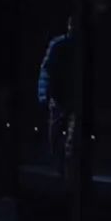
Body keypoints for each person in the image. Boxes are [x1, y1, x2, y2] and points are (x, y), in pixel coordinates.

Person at [37, 17, 75, 166]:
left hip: (73, 98)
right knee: (55, 134)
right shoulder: (58, 44)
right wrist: (43, 94)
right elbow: (46, 69)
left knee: (71, 136)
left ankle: (67, 163)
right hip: (58, 96)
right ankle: (56, 162)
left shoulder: (80, 46)